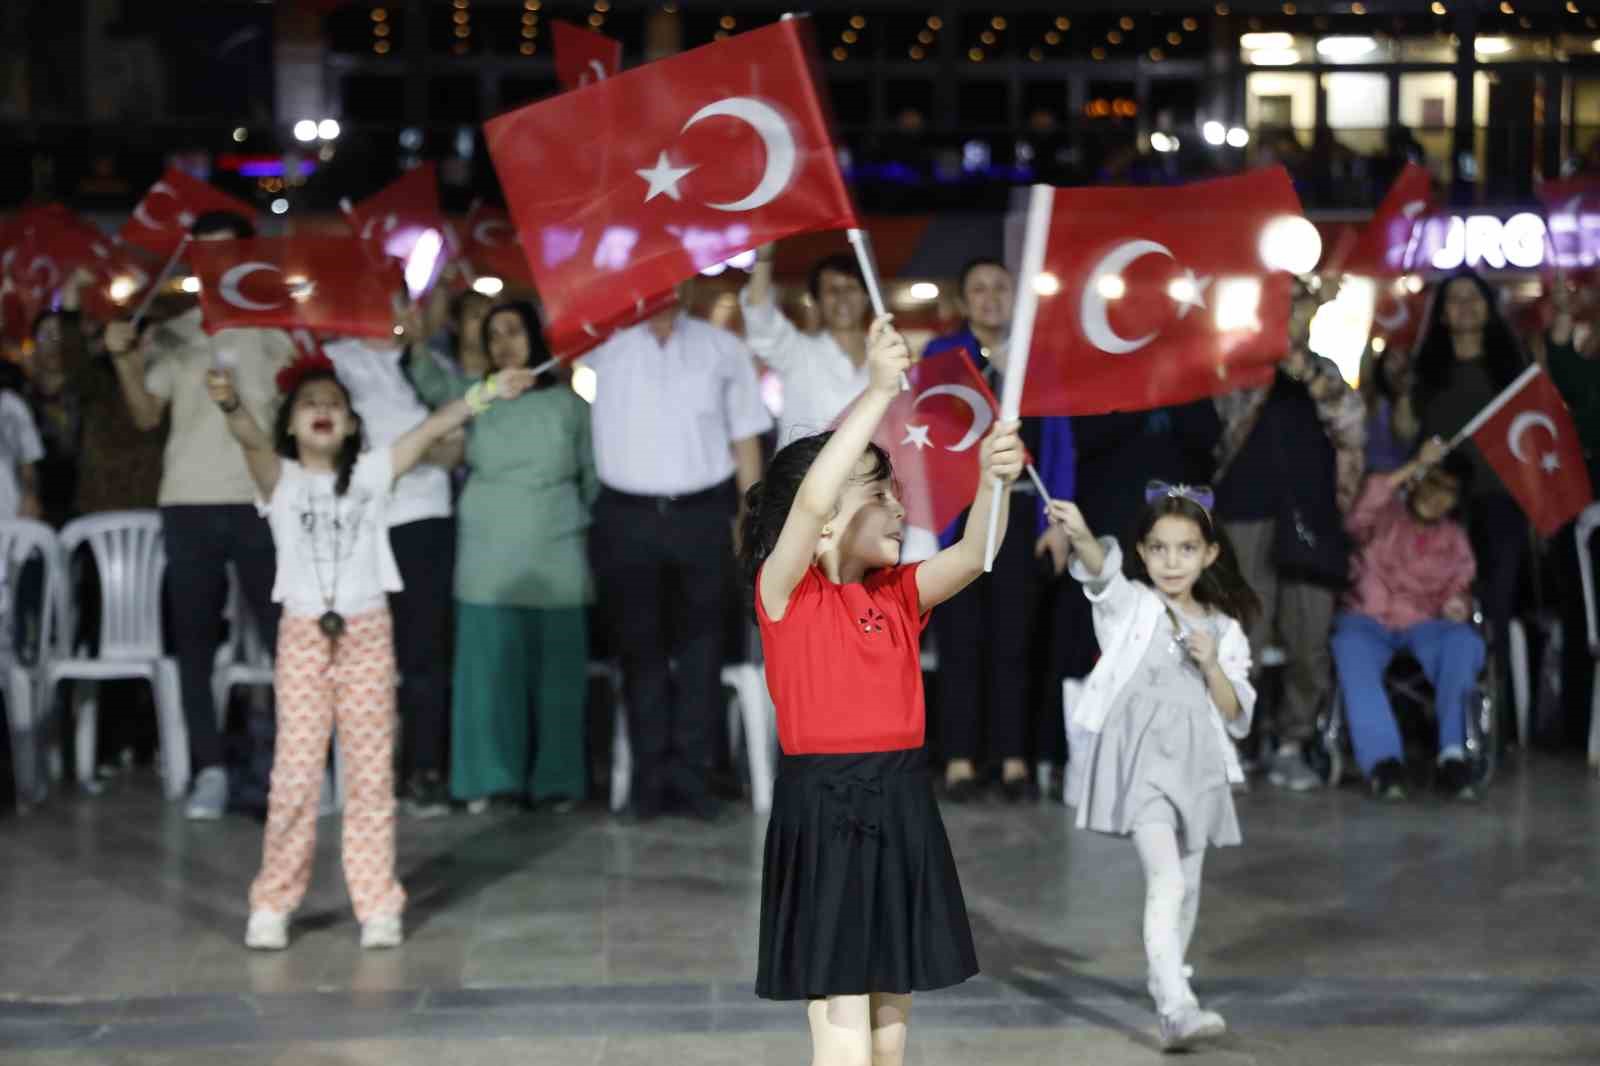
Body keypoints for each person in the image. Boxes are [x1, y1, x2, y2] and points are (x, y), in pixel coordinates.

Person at [742, 314, 1022, 1064]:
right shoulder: (785, 591)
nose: (901, 507)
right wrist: (876, 393)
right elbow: (809, 502)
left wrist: (994, 481)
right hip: (825, 808)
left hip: (900, 799)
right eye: (880, 493)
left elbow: (976, 555)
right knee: (844, 1029)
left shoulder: (899, 594)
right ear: (826, 522)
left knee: (889, 1040)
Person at [208, 350, 538, 951]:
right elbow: (248, 436)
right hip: (304, 634)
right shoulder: (281, 480)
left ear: (353, 423)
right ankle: (273, 902)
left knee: (369, 775)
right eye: (310, 404)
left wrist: (489, 389)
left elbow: (434, 428)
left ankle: (378, 903)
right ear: (291, 424)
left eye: (334, 404)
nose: (323, 410)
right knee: (295, 777)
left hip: (365, 631)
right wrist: (230, 401)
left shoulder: (371, 473)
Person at [103, 209, 295, 820]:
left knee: (285, 640)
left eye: (225, 250)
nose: (215, 263)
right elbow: (144, 414)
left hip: (264, 501)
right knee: (194, 644)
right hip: (187, 500)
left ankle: (296, 768)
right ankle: (209, 769)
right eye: (204, 252)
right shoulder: (174, 332)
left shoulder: (280, 329)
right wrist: (124, 359)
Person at [1052, 485, 1258, 1052]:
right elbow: (1101, 576)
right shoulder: (1134, 608)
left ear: (1209, 554)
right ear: (1142, 553)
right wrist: (1082, 534)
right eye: (1160, 548)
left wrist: (1211, 664)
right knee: (1166, 879)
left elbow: (1236, 712)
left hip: (1198, 767)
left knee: (1186, 888)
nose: (1172, 561)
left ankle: (1168, 983)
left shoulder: (1224, 629)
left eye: (1186, 549)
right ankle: (1175, 1005)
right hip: (1141, 763)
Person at [583, 288, 770, 821]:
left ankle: (693, 780)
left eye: (673, 280)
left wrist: (749, 520)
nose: (662, 291)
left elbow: (746, 440)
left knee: (701, 649)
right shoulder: (605, 345)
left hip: (702, 513)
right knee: (638, 648)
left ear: (686, 286)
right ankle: (648, 782)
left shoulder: (721, 348)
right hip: (626, 515)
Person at [406, 299, 598, 813]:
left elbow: (593, 475)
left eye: (513, 331)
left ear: (535, 336)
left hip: (558, 544)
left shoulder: (571, 406)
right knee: (487, 674)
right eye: (493, 336)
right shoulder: (475, 397)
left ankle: (558, 782)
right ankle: (490, 780)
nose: (503, 343)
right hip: (486, 550)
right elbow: (429, 383)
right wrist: (416, 336)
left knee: (559, 676)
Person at [920, 258, 1076, 801]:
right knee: (960, 637)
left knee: (1016, 639)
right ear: (964, 300)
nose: (990, 298)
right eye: (979, 289)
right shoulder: (942, 354)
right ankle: (959, 759)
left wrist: (1056, 522)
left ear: (1015, 297)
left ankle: (1012, 760)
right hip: (959, 514)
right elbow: (929, 434)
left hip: (1022, 510)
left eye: (1000, 289)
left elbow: (1058, 442)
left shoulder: (1037, 358)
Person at [1214, 276, 1365, 792]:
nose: (1293, 320)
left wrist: (1311, 377)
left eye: (1300, 311)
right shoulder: (1237, 368)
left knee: (1309, 640)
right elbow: (1221, 424)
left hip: (1312, 520)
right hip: (1245, 515)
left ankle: (1292, 744)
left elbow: (1354, 427)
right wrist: (1269, 363)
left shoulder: (1325, 371)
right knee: (1242, 638)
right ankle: (1234, 742)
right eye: (1284, 311)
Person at [323, 325, 464, 817]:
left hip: (424, 519)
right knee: (363, 655)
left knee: (426, 655)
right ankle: (366, 772)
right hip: (357, 524)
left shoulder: (429, 364)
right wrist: (413, 451)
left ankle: (424, 770)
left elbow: (453, 451)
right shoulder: (335, 359)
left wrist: (396, 456)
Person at [1331, 438, 1482, 801]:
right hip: (1368, 617)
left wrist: (1458, 603)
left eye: (1449, 491)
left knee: (1464, 642)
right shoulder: (1382, 515)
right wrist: (1416, 464)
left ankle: (1453, 756)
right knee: (1349, 645)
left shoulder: (1454, 538)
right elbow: (1362, 505)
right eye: (1433, 483)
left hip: (1424, 623)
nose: (1438, 496)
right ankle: (1384, 762)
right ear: (1418, 480)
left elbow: (1460, 585)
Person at [1410, 270, 1529, 727]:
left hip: (1501, 507)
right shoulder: (1425, 374)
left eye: (1473, 297)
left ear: (1488, 308)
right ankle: (1442, 717)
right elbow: (1406, 437)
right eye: (1454, 299)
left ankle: (1493, 719)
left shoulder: (1513, 369)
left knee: (1495, 609)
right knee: (1441, 607)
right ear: (1441, 315)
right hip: (1441, 511)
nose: (1464, 305)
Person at [1545, 273, 1600, 754]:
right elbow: (1562, 363)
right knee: (1585, 626)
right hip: (1589, 520)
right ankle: (1581, 730)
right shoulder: (1591, 377)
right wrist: (1562, 311)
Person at [740, 247, 870, 445]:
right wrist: (764, 259)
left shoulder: (888, 358)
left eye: (851, 288)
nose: (842, 298)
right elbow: (759, 316)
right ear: (816, 302)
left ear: (867, 297)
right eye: (832, 290)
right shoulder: (798, 352)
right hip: (805, 465)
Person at [1359, 342, 1420, 476]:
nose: (1398, 366)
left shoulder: (1410, 403)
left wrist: (1404, 392)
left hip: (1394, 479)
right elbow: (1365, 376)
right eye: (1393, 358)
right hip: (1366, 476)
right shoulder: (1372, 398)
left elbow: (1405, 432)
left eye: (1403, 359)